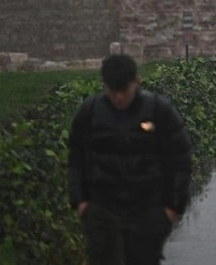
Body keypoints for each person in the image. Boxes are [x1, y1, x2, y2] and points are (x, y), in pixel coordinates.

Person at [68, 54, 192, 265]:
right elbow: (76, 158)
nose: (118, 98)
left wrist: (172, 206)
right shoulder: (90, 112)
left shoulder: (158, 111)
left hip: (148, 208)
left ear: (135, 82)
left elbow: (180, 158)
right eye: (112, 90)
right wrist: (80, 201)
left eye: (123, 90)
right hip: (102, 209)